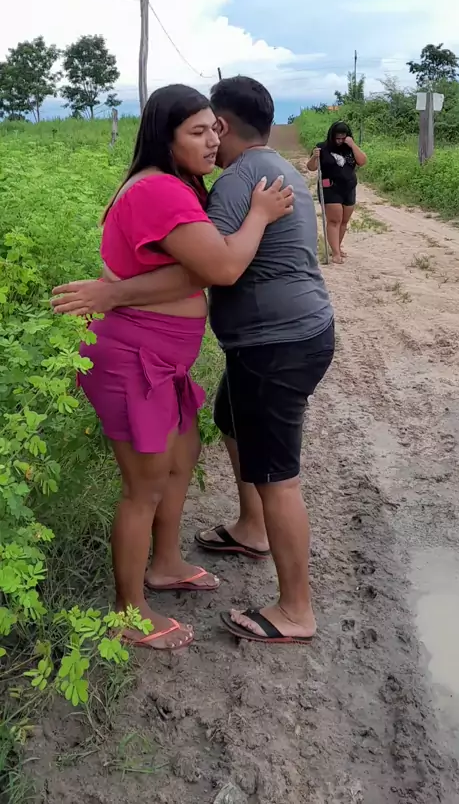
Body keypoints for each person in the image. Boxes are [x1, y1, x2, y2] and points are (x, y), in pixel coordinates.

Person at [53, 76, 334, 645]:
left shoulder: (184, 186)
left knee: (181, 462)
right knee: (146, 487)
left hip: (167, 358)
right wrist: (256, 216)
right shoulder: (162, 190)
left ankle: (165, 564)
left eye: (214, 130)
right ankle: (128, 614)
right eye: (199, 131)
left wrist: (115, 291)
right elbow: (218, 268)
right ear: (167, 137)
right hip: (136, 357)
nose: (212, 141)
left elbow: (197, 269)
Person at [307, 121, 367, 264]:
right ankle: (335, 253)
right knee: (334, 220)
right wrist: (314, 157)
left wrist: (352, 144)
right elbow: (311, 167)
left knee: (344, 221)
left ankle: (337, 247)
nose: (340, 141)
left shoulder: (350, 148)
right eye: (337, 138)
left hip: (349, 188)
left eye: (342, 138)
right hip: (330, 188)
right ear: (332, 136)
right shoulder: (322, 147)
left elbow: (362, 161)